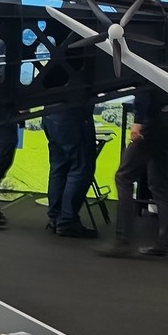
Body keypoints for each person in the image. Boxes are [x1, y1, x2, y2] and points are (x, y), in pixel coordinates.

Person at [102, 86, 168, 259]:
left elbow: (144, 87)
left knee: (123, 177)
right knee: (160, 184)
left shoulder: (147, 65)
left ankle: (123, 240)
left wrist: (138, 121)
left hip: (153, 120)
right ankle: (167, 244)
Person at [42, 99, 98, 238]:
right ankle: (67, 220)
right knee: (80, 168)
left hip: (50, 112)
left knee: (58, 168)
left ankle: (55, 218)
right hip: (73, 113)